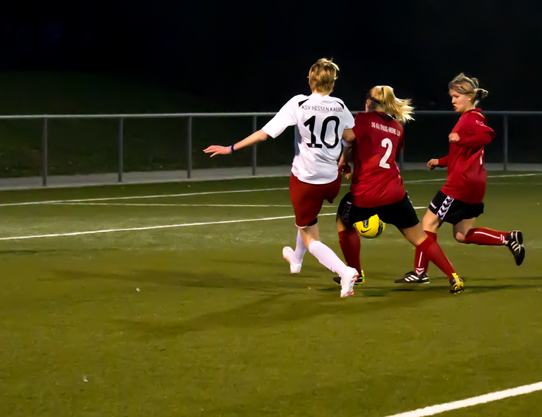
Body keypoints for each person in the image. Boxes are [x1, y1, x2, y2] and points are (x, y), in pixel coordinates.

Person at [204, 58, 359, 298]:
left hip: (306, 180)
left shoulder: (299, 103)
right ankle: (295, 260)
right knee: (306, 219)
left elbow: (264, 135)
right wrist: (345, 159)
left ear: (310, 80)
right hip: (331, 179)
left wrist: (230, 148)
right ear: (332, 84)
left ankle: (345, 271)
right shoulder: (339, 105)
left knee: (310, 236)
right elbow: (351, 136)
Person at [335, 86, 465, 294]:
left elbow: (349, 138)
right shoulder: (398, 127)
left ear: (370, 101)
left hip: (366, 194)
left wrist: (332, 124)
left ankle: (355, 273)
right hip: (395, 193)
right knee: (419, 237)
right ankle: (454, 276)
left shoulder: (363, 119)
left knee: (343, 221)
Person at [396, 74, 524, 284]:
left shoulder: (471, 117)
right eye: (452, 97)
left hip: (460, 185)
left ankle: (419, 272)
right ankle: (508, 238)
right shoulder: (470, 118)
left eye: (456, 96)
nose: (453, 100)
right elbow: (462, 154)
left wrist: (461, 138)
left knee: (427, 224)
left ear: (470, 96)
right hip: (475, 185)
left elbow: (487, 136)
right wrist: (441, 161)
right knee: (462, 235)